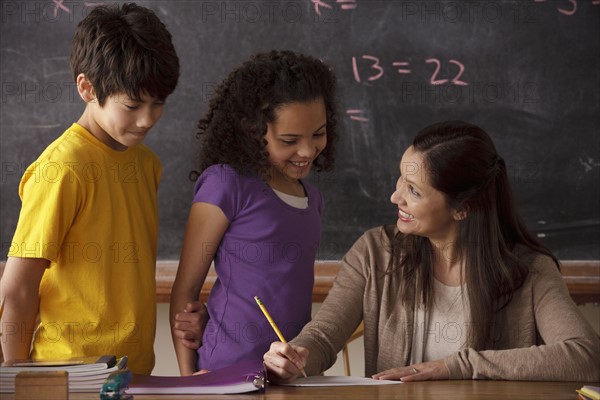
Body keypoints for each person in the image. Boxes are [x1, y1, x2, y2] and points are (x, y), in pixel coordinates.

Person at [263, 120, 600, 382]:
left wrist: (456, 366)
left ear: (462, 209)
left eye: (414, 191)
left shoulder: (531, 270)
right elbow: (323, 337)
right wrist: (295, 357)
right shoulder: (374, 252)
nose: (396, 197)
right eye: (400, 180)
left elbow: (586, 357)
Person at [0, 3, 179, 374]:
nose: (147, 119)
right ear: (87, 88)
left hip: (135, 375)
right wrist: (18, 380)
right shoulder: (63, 168)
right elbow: (17, 288)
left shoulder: (147, 164)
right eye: (132, 104)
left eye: (158, 103)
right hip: (68, 376)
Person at [169, 50, 338, 375]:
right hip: (226, 372)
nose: (307, 151)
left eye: (318, 133)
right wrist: (189, 382)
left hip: (288, 373)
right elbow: (185, 293)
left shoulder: (312, 199)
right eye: (290, 139)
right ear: (251, 130)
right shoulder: (225, 184)